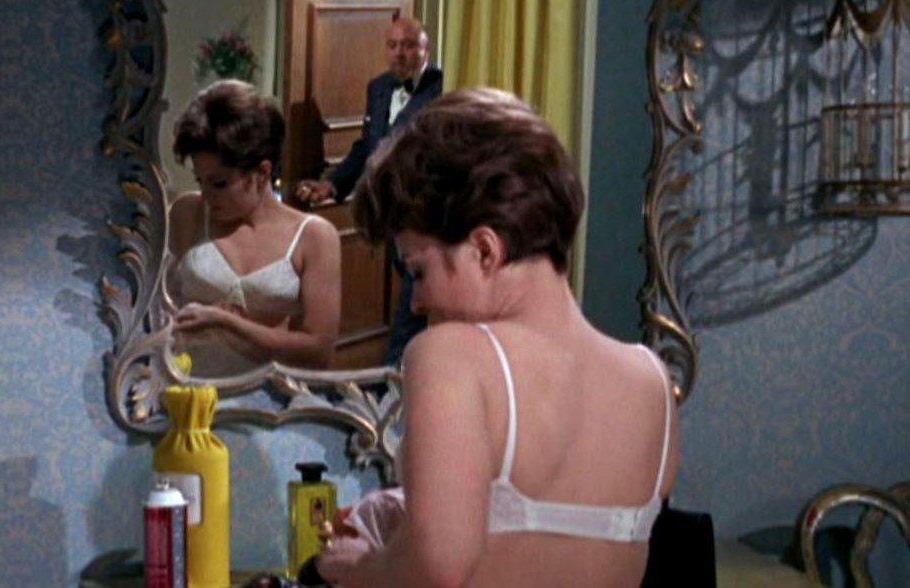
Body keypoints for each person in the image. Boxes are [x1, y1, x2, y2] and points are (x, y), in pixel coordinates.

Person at [314, 89, 680, 587]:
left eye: (418, 271)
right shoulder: (652, 382)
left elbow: (436, 568)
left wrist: (357, 566)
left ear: (485, 250)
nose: (416, 302)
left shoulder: (453, 355)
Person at [296, 16, 443, 366]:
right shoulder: (378, 87)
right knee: (414, 305)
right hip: (387, 215)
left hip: (424, 219)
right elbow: (366, 147)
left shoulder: (442, 89)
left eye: (409, 46)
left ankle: (388, 379)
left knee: (413, 306)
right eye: (393, 46)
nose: (400, 54)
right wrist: (334, 184)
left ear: (426, 50)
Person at [168, 79, 341, 376]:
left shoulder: (314, 237)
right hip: (190, 389)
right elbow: (155, 310)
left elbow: (318, 351)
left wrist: (229, 324)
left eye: (219, 183)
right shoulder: (188, 213)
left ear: (262, 172)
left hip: (271, 395)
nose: (207, 196)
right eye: (200, 181)